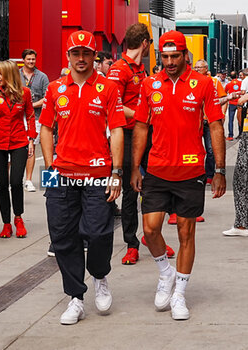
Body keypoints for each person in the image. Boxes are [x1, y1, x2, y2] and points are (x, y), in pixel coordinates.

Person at [131, 30, 226, 320]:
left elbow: (215, 126)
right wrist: (135, 166)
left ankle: (180, 294)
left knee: (186, 232)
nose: (170, 62)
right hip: (157, 169)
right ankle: (165, 273)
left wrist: (219, 170)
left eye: (175, 56)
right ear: (159, 56)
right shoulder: (149, 84)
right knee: (149, 230)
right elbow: (141, 128)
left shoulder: (204, 84)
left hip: (190, 169)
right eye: (165, 56)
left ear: (185, 54)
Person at [40, 30, 126, 325]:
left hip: (98, 173)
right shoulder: (54, 89)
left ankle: (100, 275)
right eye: (75, 53)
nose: (81, 58)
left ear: (94, 56)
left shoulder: (108, 88)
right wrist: (50, 167)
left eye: (86, 53)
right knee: (62, 237)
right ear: (68, 56)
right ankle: (75, 297)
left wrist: (116, 172)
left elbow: (116, 130)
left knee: (100, 233)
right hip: (62, 174)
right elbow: (46, 129)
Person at [107, 23, 175, 264]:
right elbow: (112, 104)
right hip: (125, 136)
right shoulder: (119, 69)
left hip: (146, 134)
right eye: (150, 45)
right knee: (129, 191)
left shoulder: (142, 70)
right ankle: (131, 243)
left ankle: (151, 234)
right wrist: (139, 116)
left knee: (156, 185)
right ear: (145, 43)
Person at [0, 60, 37, 239]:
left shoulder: (24, 93)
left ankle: (18, 218)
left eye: (0, 73)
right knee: (2, 184)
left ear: (9, 74)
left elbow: (31, 116)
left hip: (19, 141)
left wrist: (31, 139)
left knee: (16, 181)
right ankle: (6, 223)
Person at [20, 49, 49, 192]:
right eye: (28, 59)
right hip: (17, 117)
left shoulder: (42, 77)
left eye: (33, 59)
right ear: (23, 60)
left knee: (31, 148)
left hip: (36, 117)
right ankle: (15, 178)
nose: (31, 62)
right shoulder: (16, 75)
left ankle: (29, 180)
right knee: (18, 148)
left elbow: (47, 98)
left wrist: (31, 105)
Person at [223, 94, 248, 236]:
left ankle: (242, 224)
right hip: (246, 136)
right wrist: (240, 105)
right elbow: (241, 121)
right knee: (240, 181)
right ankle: (241, 224)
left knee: (241, 180)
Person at [225, 72, 242, 140]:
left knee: (231, 120)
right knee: (239, 118)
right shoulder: (240, 83)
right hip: (239, 102)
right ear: (237, 76)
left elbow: (225, 92)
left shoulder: (228, 84)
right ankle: (240, 134)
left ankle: (230, 135)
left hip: (232, 103)